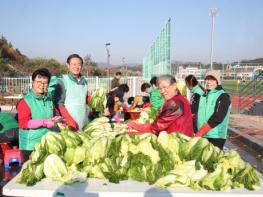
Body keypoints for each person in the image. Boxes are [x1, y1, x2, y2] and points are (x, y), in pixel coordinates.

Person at [127, 74, 194, 137]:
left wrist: (136, 126)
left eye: (165, 87)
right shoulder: (180, 98)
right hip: (180, 137)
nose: (162, 91)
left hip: (178, 141)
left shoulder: (174, 102)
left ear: (174, 86)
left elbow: (157, 126)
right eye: (160, 88)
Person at [17, 68, 55, 161]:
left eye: (45, 83)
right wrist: (43, 122)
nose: (41, 85)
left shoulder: (49, 100)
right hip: (30, 146)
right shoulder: (25, 101)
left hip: (46, 143)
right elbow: (23, 123)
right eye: (38, 82)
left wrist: (58, 120)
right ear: (33, 82)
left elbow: (51, 117)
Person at [195, 70, 232, 150]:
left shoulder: (223, 96)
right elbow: (194, 112)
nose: (208, 82)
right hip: (202, 136)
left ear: (217, 81)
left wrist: (201, 131)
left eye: (212, 80)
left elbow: (217, 117)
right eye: (207, 79)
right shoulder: (203, 96)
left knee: (212, 161)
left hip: (216, 137)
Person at [54, 54, 89, 131]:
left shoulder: (85, 81)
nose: (77, 67)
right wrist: (69, 120)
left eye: (79, 64)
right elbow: (59, 104)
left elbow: (85, 100)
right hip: (68, 123)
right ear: (68, 65)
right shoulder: (62, 81)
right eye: (74, 64)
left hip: (83, 121)